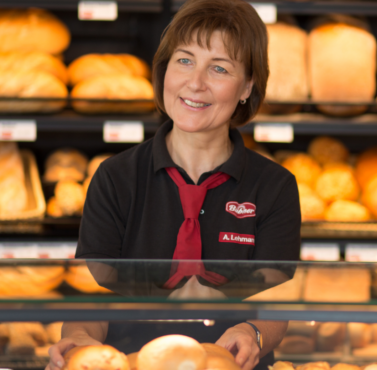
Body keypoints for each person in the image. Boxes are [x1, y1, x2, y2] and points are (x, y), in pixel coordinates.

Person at [45, 0, 301, 369]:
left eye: (219, 68)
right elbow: (94, 300)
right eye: (184, 60)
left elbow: (277, 302)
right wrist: (81, 341)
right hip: (129, 362)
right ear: (164, 70)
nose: (194, 83)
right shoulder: (115, 178)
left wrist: (252, 333)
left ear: (247, 86)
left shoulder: (274, 187)